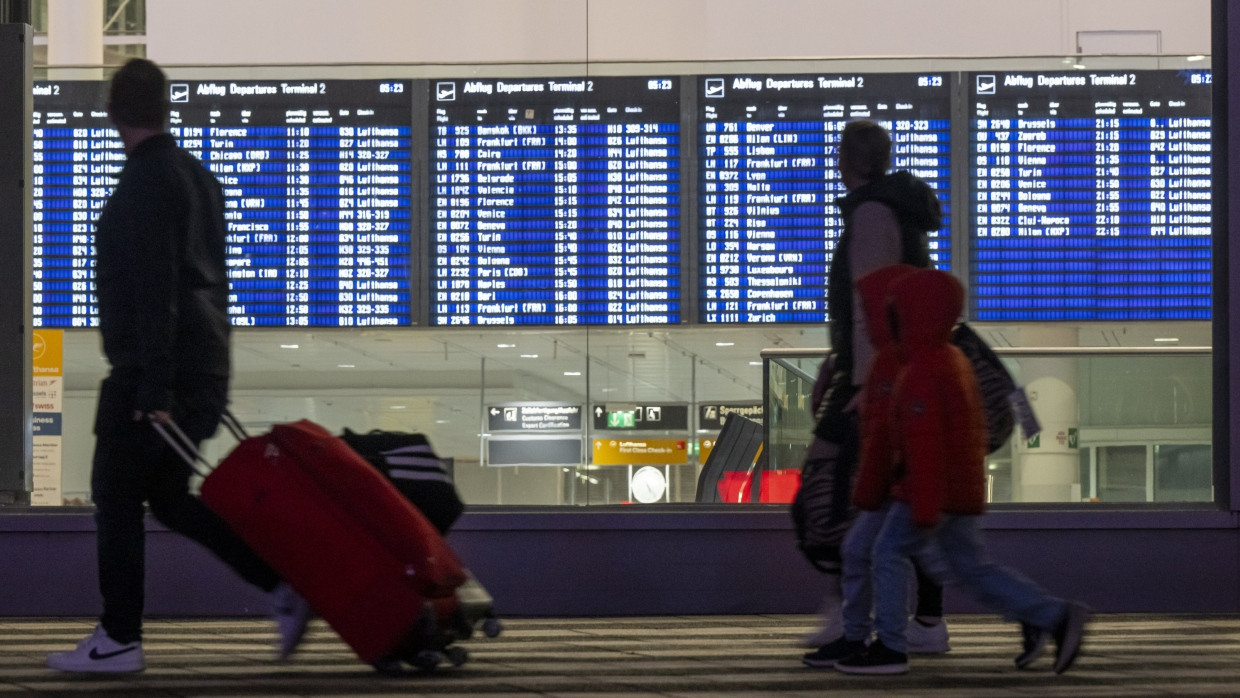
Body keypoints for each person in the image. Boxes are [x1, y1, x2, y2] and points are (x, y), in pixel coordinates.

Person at [46, 58, 311, 674]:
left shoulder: (143, 184)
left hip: (154, 375)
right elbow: (205, 284)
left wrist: (153, 384)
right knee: (166, 496)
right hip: (204, 367)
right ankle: (278, 585)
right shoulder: (196, 176)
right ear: (164, 109)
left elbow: (154, 287)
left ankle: (119, 638)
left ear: (114, 114)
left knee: (114, 495)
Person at [834, 268, 1090, 675]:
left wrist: (923, 505)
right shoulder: (948, 358)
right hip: (957, 490)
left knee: (886, 552)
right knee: (972, 568)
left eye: (891, 310)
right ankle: (1050, 614)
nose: (878, 319)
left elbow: (926, 445)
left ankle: (891, 648)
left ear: (911, 313)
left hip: (932, 490)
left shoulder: (923, 369)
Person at [802, 120, 948, 666]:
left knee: (835, 491)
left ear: (844, 159)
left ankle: (854, 613)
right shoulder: (893, 211)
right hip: (883, 373)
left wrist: (864, 383)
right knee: (893, 503)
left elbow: (876, 305)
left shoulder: (870, 213)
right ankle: (919, 619)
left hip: (878, 380)